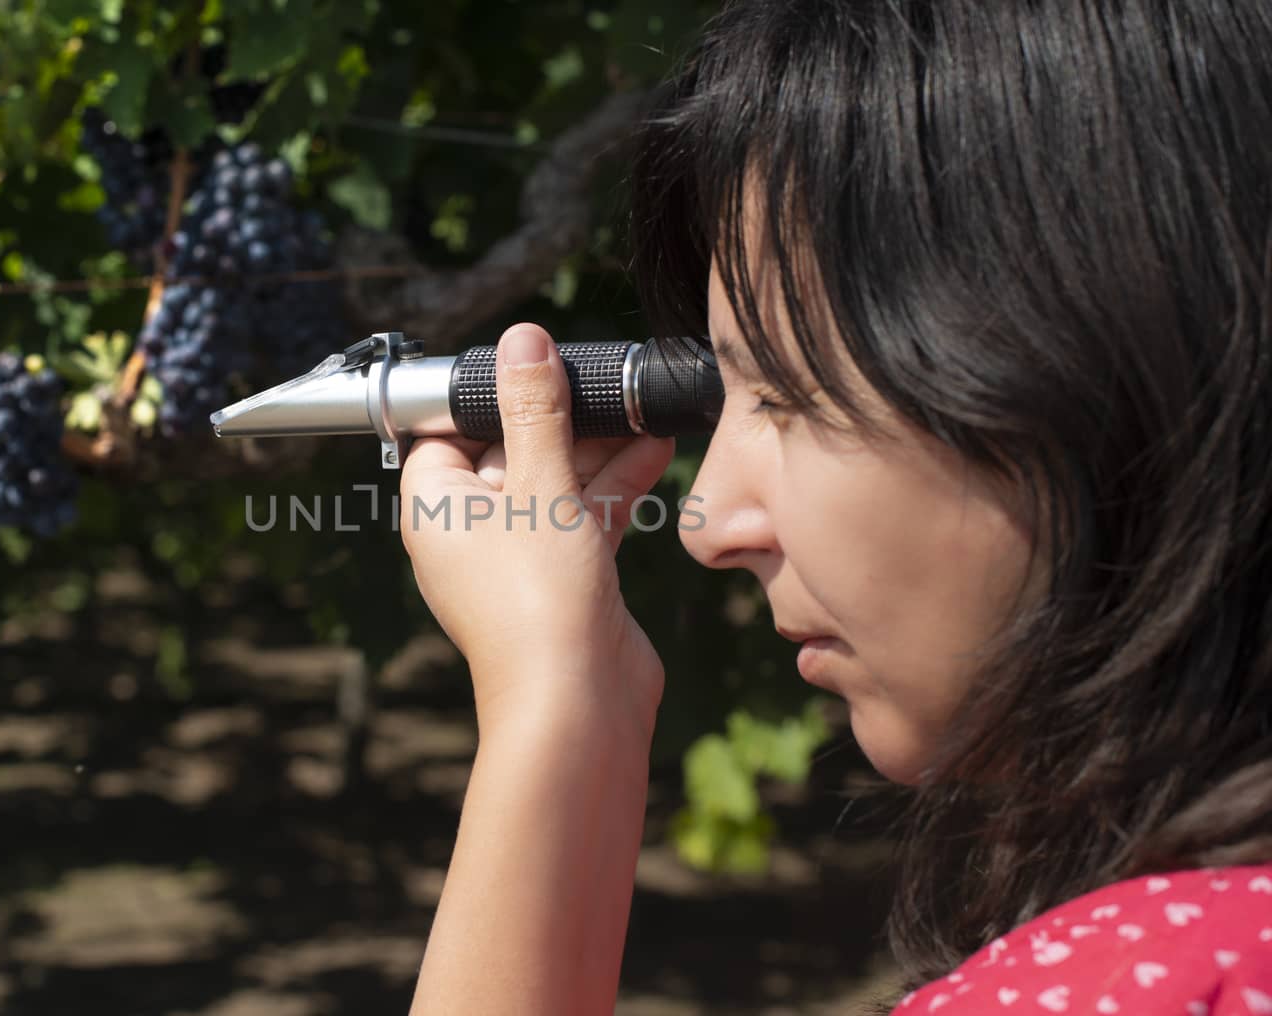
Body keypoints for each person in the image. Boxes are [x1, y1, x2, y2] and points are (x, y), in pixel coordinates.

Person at [395, 1, 1272, 1013]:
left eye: (790, 392)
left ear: (1100, 364)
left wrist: (547, 707)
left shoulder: (1122, 988)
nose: (708, 519)